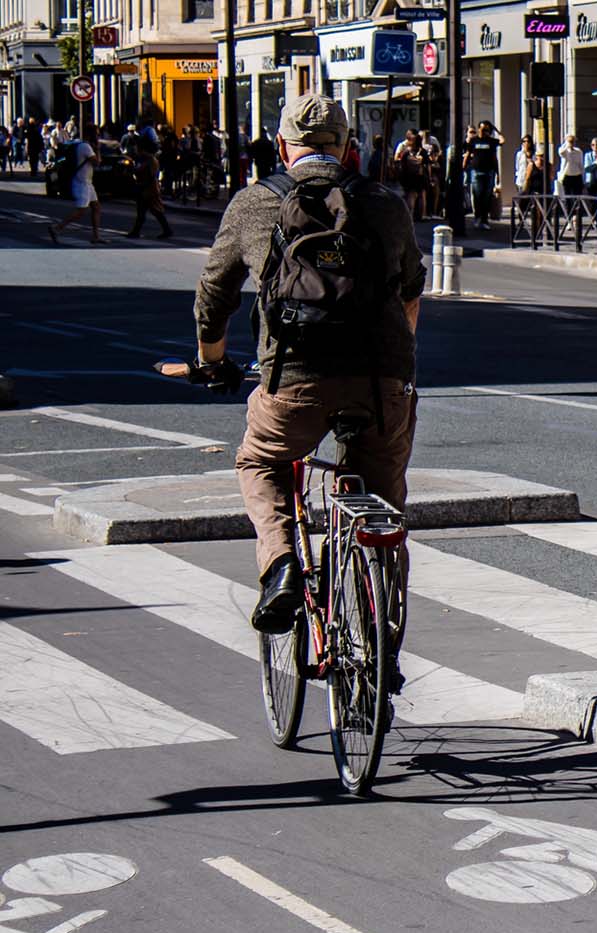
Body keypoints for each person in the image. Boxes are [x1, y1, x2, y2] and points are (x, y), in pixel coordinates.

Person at [191, 93, 425, 649]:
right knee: (384, 507)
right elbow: (411, 292)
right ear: (346, 147)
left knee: (260, 461)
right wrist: (396, 364)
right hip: (380, 384)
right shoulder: (385, 204)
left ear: (281, 145)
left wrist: (211, 360)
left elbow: (214, 296)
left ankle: (280, 566)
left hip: (292, 380)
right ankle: (383, 644)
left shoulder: (255, 202)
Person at [46, 125, 102, 245]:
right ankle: (57, 228)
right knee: (81, 210)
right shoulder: (86, 147)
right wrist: (97, 149)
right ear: (91, 135)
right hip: (82, 182)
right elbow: (97, 162)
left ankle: (96, 236)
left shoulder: (81, 145)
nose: (98, 136)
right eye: (96, 134)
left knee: (96, 207)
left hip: (87, 182)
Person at [124, 134, 173, 240]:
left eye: (138, 148)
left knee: (155, 210)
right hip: (144, 188)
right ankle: (136, 231)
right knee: (143, 211)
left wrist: (136, 172)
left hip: (149, 189)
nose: (136, 150)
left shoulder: (151, 160)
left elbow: (150, 176)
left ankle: (167, 230)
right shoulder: (143, 159)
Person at [466, 121, 502, 229]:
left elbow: (502, 141)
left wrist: (496, 130)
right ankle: (478, 218)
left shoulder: (491, 141)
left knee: (487, 196)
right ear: (478, 129)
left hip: (489, 171)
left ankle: (484, 220)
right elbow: (467, 153)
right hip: (476, 171)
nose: (484, 132)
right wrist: (464, 166)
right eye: (482, 129)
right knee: (478, 195)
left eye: (487, 130)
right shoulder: (474, 140)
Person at [395, 130, 430, 218]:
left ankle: (410, 214)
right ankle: (422, 214)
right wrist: (429, 177)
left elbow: (402, 165)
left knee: (411, 195)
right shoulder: (423, 152)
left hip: (409, 177)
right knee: (422, 195)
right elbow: (428, 166)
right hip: (420, 177)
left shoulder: (406, 152)